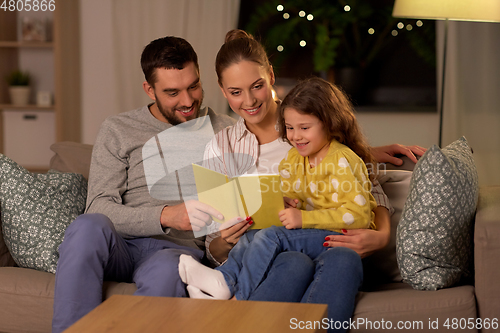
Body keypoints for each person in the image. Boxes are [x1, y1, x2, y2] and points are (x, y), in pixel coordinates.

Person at [180, 29, 426, 331]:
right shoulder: (220, 148)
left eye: (257, 86)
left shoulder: (309, 120)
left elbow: (366, 187)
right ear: (221, 90)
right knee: (294, 262)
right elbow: (212, 245)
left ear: (271, 75)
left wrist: (381, 235)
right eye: (235, 92)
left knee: (344, 259)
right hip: (272, 257)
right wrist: (225, 240)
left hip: (332, 244)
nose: (249, 100)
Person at [51, 36, 237, 332]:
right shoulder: (118, 129)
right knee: (87, 225)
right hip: (121, 246)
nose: (187, 101)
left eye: (194, 86)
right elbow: (98, 206)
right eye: (172, 92)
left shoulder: (226, 130)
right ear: (149, 90)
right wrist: (166, 215)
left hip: (176, 251)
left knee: (167, 270)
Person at [179, 76, 380, 302]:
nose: (295, 136)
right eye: (290, 128)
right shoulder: (294, 158)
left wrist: (302, 218)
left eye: (304, 127)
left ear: (330, 123)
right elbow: (296, 198)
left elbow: (359, 216)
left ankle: (237, 296)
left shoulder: (342, 159)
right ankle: (224, 278)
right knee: (253, 235)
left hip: (339, 236)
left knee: (271, 236)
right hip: (311, 237)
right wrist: (285, 204)